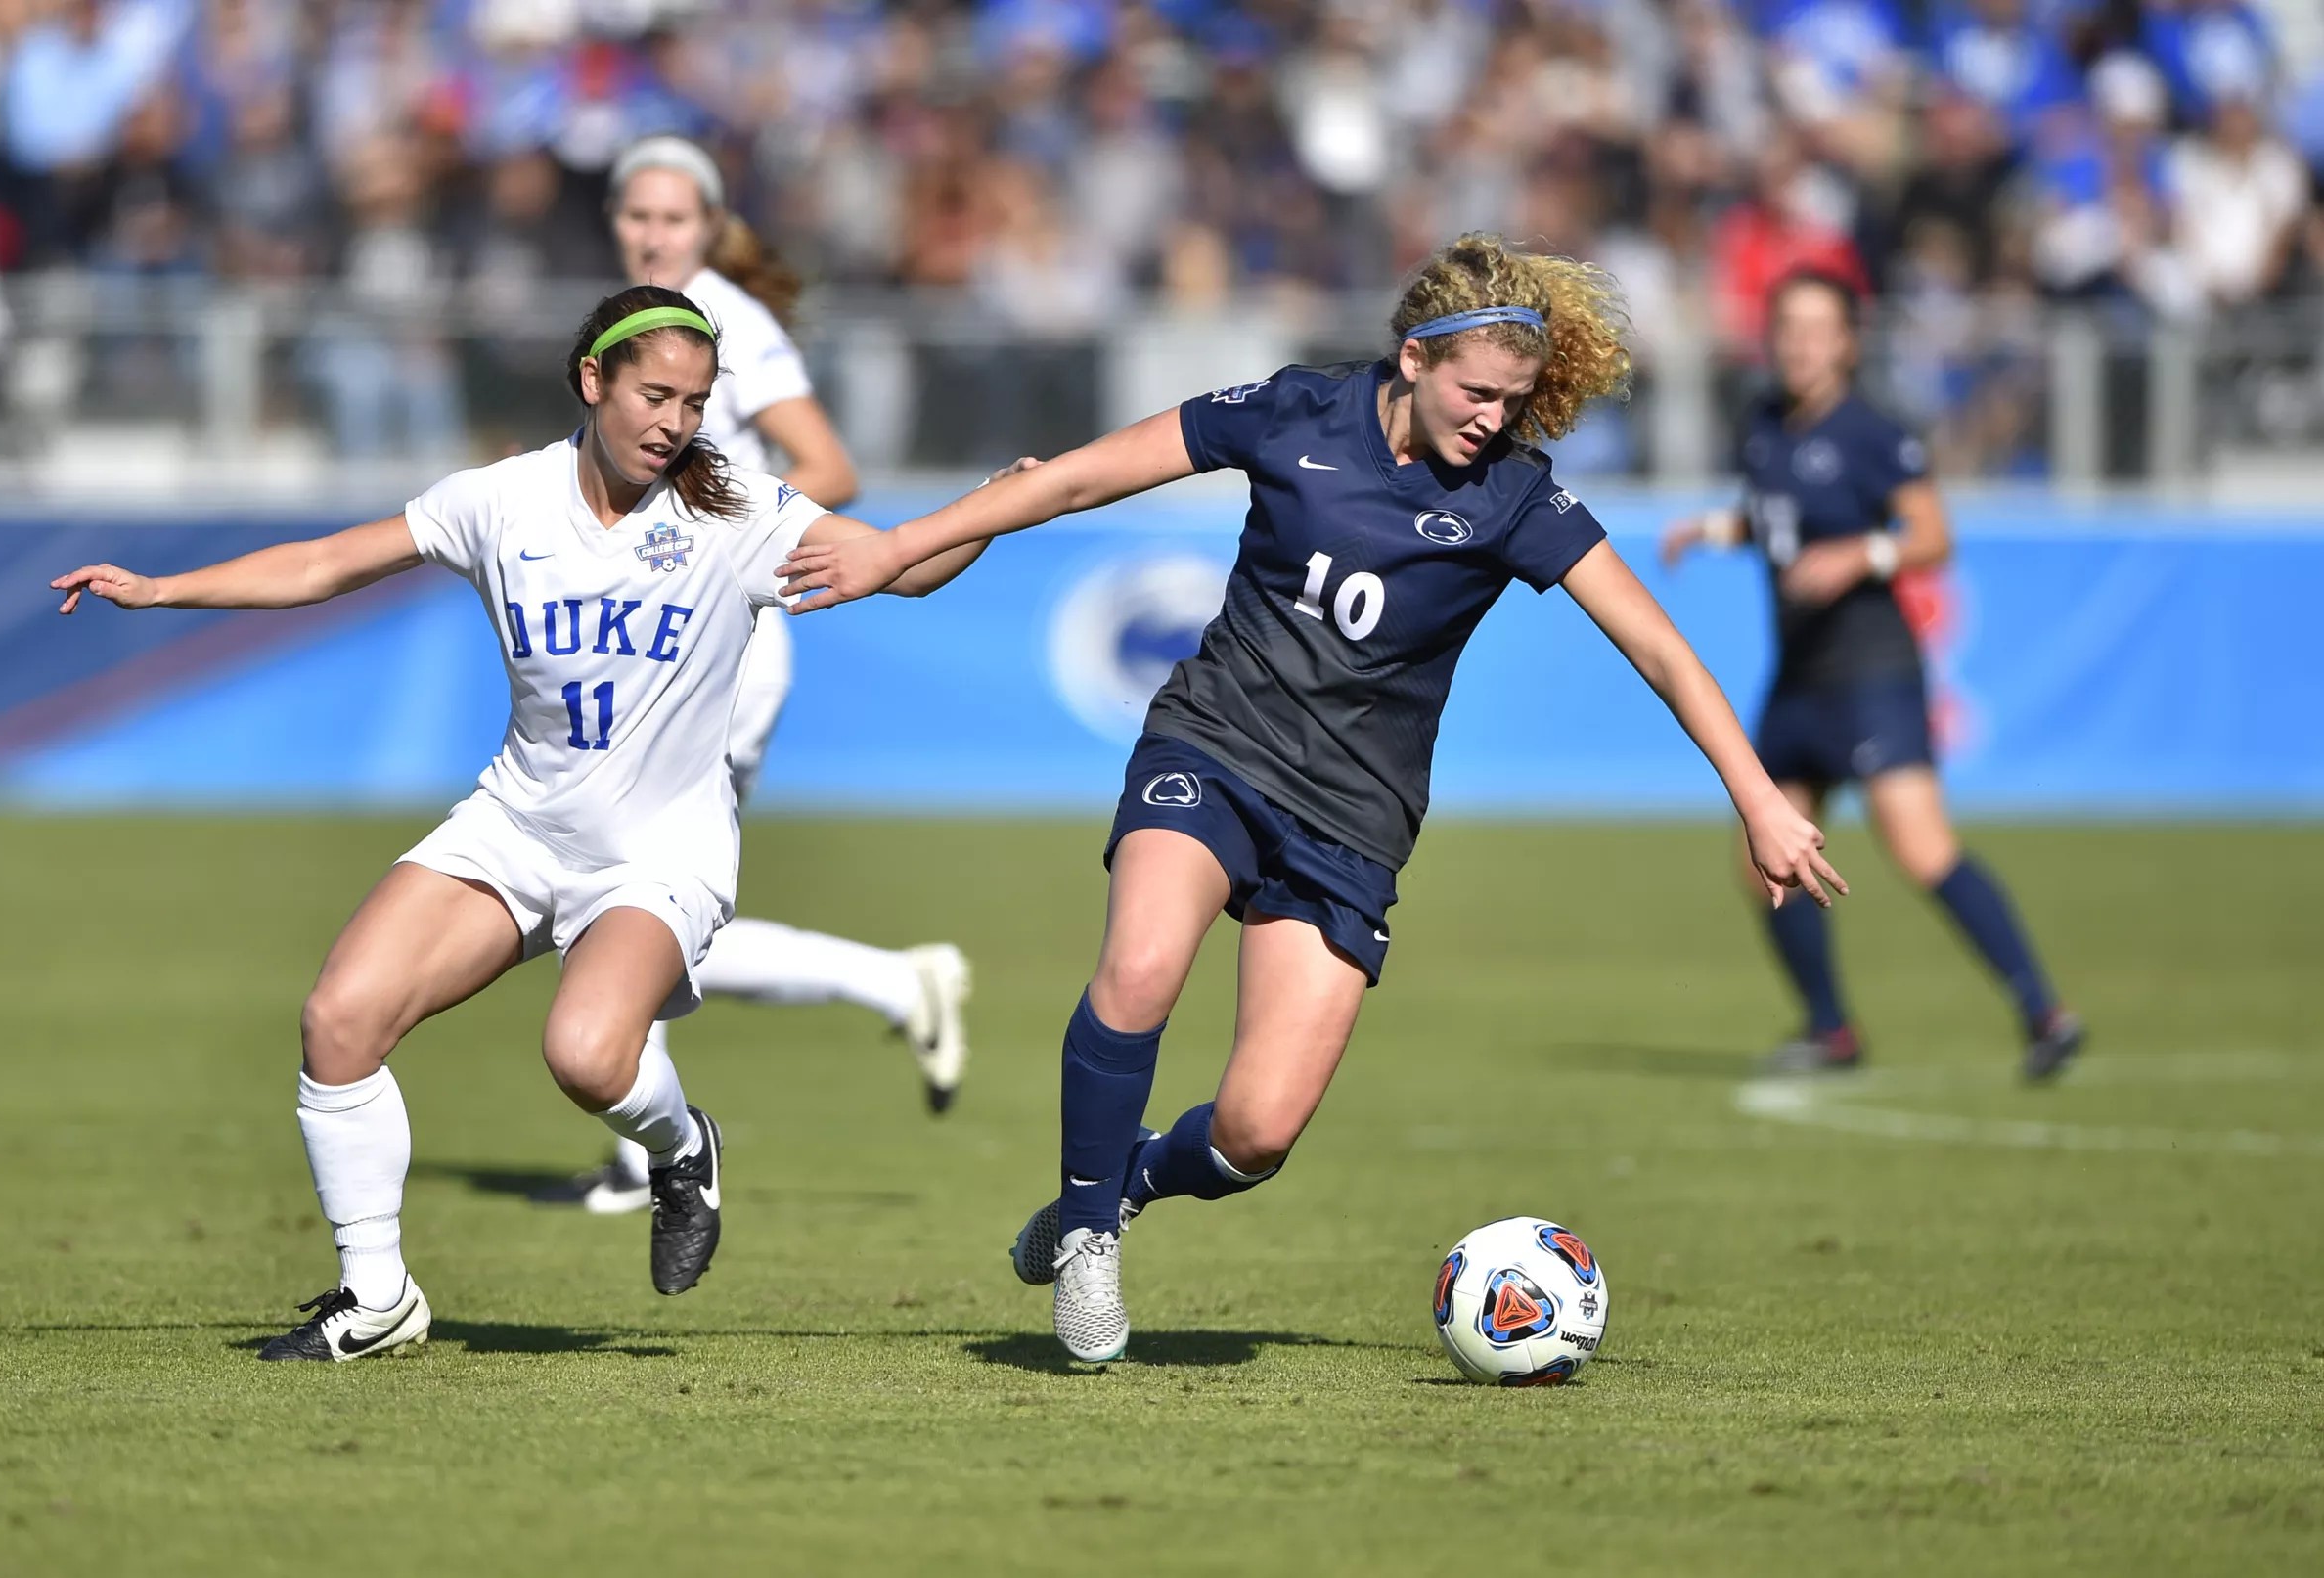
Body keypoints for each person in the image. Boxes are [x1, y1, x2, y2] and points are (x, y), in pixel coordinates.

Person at [778, 234, 1847, 1364]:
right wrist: (893, 545)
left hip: (1351, 819)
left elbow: (1661, 649)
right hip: (1216, 741)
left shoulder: (1514, 496)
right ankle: (1087, 1239)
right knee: (1139, 966)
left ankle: (1122, 1178)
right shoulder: (1292, 412)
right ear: (1410, 359)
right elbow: (1076, 475)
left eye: (1513, 399)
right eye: (1475, 393)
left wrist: (1758, 800)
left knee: (1255, 1132)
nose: (1493, 417)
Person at [49, 285, 985, 1361]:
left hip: (660, 849)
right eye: (653, 393)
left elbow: (896, 566)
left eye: (693, 400)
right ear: (592, 381)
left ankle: (682, 1150)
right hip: (517, 825)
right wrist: (162, 589)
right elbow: (323, 563)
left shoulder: (734, 516)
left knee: (587, 1057)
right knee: (339, 1019)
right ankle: (377, 1296)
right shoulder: (501, 499)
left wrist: (989, 516)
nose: (674, 421)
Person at [549, 136, 978, 1218]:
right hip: (656, 642)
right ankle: (890, 983)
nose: (654, 234)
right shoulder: (642, 320)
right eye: (637, 216)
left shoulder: (727, 321)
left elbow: (830, 467)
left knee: (637, 889)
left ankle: (650, 1148)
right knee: (637, 890)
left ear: (709, 226)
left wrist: (710, 530)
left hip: (721, 649)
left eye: (675, 219)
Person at [1663, 269, 2084, 1082]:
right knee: (1763, 862)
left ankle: (2045, 1011)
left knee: (1922, 848)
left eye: (1819, 328)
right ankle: (1831, 1030)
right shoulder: (1764, 423)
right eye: (1788, 326)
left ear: (1849, 344)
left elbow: (1931, 534)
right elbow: (1782, 520)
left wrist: (1863, 552)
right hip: (1799, 674)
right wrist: (1714, 529)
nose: (1800, 343)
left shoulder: (1871, 432)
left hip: (1871, 671)